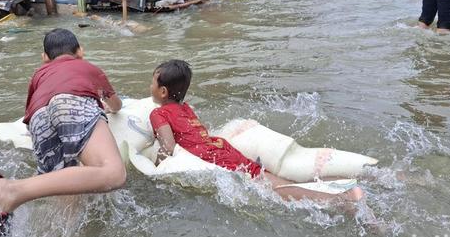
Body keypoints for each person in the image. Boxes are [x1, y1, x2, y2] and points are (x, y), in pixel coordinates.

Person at [0, 29, 126, 237]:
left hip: (38, 116)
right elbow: (116, 104)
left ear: (44, 57)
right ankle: (12, 191)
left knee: (65, 194)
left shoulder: (39, 74)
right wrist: (107, 107)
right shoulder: (88, 67)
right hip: (72, 102)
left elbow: (30, 114)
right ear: (81, 52)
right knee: (113, 173)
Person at [148, 59, 365, 204]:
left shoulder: (158, 114)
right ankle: (336, 182)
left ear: (163, 91)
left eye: (153, 82)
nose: (150, 86)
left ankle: (341, 199)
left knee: (274, 189)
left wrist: (156, 164)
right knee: (266, 177)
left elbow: (167, 146)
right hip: (221, 147)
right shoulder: (185, 108)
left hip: (210, 157)